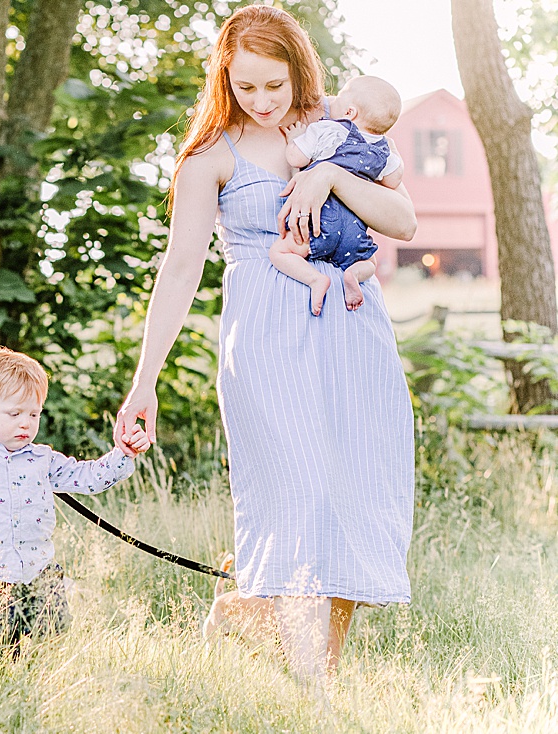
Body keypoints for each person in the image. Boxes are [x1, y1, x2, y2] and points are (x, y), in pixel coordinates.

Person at [113, 5, 416, 688]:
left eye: (274, 86)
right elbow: (181, 269)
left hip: (353, 336)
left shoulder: (337, 133)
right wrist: (145, 382)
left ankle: (263, 631)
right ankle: (316, 705)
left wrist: (332, 178)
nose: (261, 101)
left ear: (299, 71)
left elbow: (405, 220)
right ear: (226, 79)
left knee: (352, 505)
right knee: (301, 499)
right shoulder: (210, 156)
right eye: (245, 87)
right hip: (267, 344)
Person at [0, 347, 150, 650]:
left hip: (39, 574)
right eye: (14, 414)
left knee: (50, 652)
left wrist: (123, 454)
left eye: (33, 414)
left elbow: (88, 478)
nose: (26, 423)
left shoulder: (42, 458)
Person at [269, 75, 404, 315]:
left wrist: (294, 139)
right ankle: (352, 274)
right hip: (354, 230)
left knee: (279, 252)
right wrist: (394, 153)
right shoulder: (383, 150)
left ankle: (314, 280)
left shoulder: (329, 129)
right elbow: (393, 179)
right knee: (370, 263)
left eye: (339, 101)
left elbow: (296, 158)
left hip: (321, 224)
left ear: (350, 111)